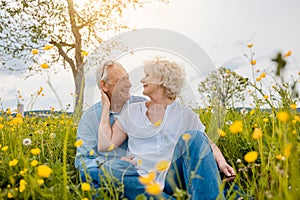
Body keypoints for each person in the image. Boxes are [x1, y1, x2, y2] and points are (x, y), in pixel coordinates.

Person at [97, 58, 235, 199]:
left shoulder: (186, 115)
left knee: (195, 137)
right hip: (142, 180)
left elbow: (207, 143)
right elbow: (104, 145)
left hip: (174, 177)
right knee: (110, 168)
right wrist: (106, 106)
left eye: (147, 75)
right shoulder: (131, 111)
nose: (141, 80)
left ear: (162, 79)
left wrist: (222, 163)